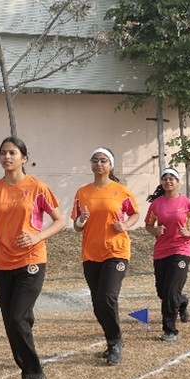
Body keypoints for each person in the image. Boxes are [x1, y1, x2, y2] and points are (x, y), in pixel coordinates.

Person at [0, 137, 67, 379]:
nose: (6, 157)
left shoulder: (37, 187)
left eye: (12, 152)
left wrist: (39, 236)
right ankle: (28, 348)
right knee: (13, 322)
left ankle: (33, 374)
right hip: (2, 263)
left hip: (32, 260)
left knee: (16, 319)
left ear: (24, 158)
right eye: (2, 153)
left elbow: (60, 221)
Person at [72, 147, 141, 365]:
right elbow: (76, 226)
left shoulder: (121, 190)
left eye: (103, 161)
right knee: (97, 303)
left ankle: (115, 341)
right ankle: (112, 338)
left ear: (110, 166)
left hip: (116, 251)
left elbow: (135, 213)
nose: (98, 164)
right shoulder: (82, 192)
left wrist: (125, 225)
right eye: (95, 160)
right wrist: (81, 220)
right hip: (91, 253)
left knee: (107, 297)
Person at [144, 167, 190, 342]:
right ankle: (182, 300)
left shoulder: (186, 203)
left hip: (181, 250)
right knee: (163, 292)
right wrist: (154, 229)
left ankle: (170, 330)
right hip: (161, 251)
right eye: (165, 178)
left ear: (178, 182)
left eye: (172, 178)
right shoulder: (156, 204)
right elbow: (148, 225)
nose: (168, 181)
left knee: (171, 292)